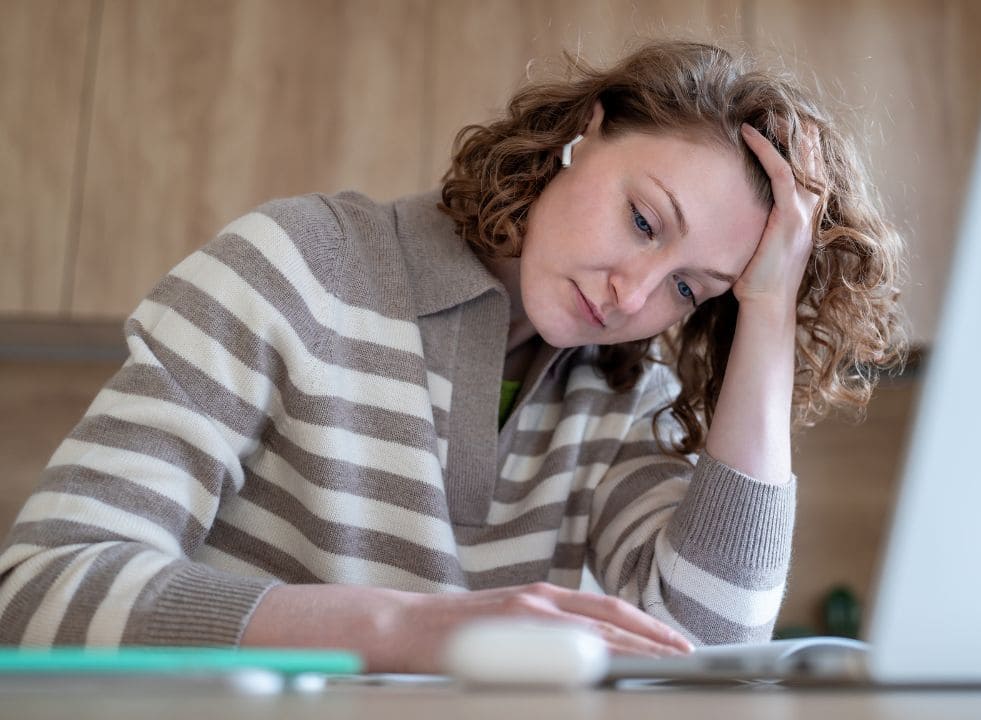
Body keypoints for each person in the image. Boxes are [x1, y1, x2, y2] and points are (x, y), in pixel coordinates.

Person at [0, 40, 906, 673]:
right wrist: (405, 628)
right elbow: (40, 597)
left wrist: (770, 304)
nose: (633, 295)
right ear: (585, 132)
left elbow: (712, 643)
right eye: (641, 220)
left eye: (689, 289)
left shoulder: (627, 393)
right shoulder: (298, 265)